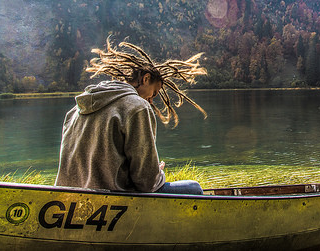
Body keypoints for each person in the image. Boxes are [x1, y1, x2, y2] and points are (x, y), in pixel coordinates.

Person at [55, 38, 207, 194]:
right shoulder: (137, 107)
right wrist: (158, 173)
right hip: (114, 201)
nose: (151, 99)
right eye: (153, 92)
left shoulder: (75, 110)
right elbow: (147, 183)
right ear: (146, 78)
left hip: (70, 198)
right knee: (194, 189)